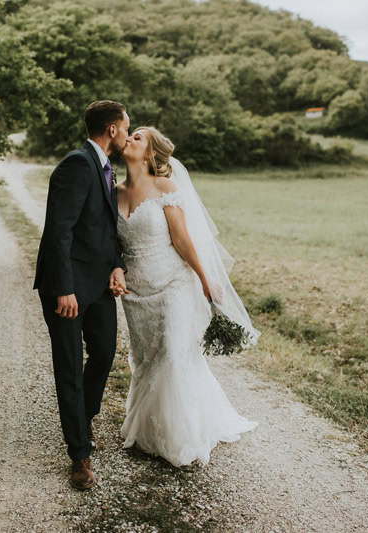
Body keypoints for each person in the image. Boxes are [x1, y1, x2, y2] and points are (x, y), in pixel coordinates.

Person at [116, 126, 260, 467]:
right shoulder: (115, 192)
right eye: (130, 134)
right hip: (136, 293)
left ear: (150, 153)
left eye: (138, 137)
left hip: (173, 286)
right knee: (148, 357)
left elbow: (182, 241)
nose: (129, 138)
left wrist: (206, 279)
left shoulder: (165, 187)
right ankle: (149, 430)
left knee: (171, 354)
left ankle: (178, 437)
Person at [33, 100, 130, 489]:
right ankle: (79, 455)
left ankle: (83, 418)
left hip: (99, 284)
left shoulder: (106, 168)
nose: (127, 133)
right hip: (69, 288)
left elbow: (104, 228)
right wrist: (64, 289)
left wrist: (116, 264)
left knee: (105, 352)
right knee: (71, 366)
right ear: (111, 130)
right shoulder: (76, 164)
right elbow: (59, 231)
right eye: (126, 127)